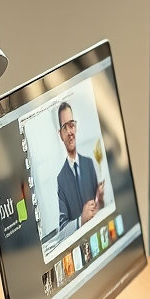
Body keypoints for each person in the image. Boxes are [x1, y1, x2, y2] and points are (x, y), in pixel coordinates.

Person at [55, 101, 103, 235]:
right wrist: (81, 220)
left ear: (76, 127)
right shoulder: (61, 180)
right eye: (65, 127)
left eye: (72, 125)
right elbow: (63, 227)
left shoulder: (89, 163)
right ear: (60, 135)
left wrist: (102, 199)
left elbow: (99, 205)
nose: (70, 132)